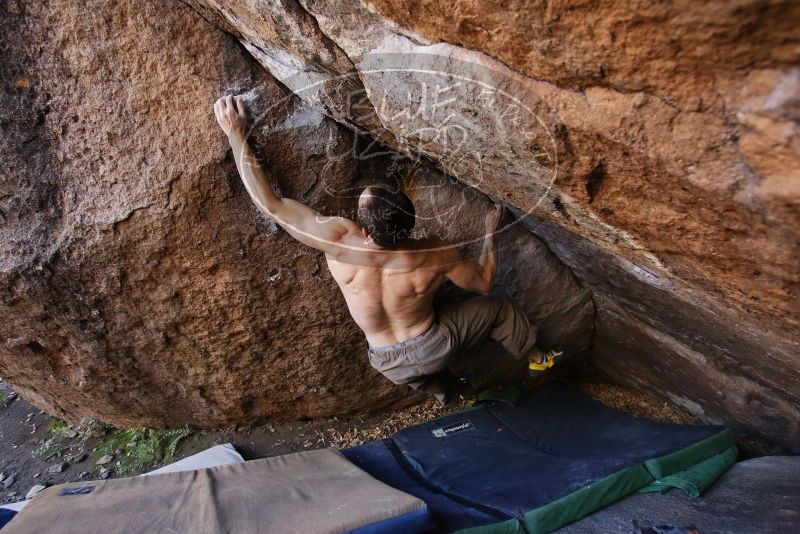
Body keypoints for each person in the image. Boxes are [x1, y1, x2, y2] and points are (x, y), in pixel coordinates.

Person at [213, 95, 562, 405]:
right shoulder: (433, 254)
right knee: (499, 308)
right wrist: (489, 234)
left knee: (425, 376)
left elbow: (271, 205)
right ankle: (537, 360)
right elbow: (484, 283)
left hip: (387, 362)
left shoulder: (338, 242)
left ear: (364, 230)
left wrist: (236, 133)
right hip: (434, 346)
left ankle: (456, 393)